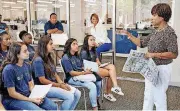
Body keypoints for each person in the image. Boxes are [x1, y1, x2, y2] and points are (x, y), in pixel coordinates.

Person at [120, 3, 178, 110]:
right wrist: (129, 35)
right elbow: (141, 43)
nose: (152, 18)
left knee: (159, 97)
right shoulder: (156, 31)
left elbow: (174, 54)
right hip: (151, 67)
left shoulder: (169, 32)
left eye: (154, 15)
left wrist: (154, 54)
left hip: (162, 68)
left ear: (162, 17)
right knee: (148, 96)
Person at [1, 42, 57, 110]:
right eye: (25, 51)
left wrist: (37, 96)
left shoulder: (27, 65)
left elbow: (30, 85)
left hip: (28, 95)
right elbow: (12, 93)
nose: (28, 52)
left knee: (53, 107)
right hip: (12, 100)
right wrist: (31, 100)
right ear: (17, 54)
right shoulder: (9, 69)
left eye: (27, 50)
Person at [32, 35, 81, 110]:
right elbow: (42, 80)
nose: (53, 46)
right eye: (50, 44)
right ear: (44, 45)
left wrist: (62, 83)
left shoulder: (48, 57)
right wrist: (59, 85)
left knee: (77, 93)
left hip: (52, 85)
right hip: (43, 88)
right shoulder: (38, 60)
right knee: (70, 96)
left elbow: (54, 74)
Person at [61, 38, 102, 110]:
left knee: (98, 82)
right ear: (69, 46)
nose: (77, 46)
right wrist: (84, 73)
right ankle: (95, 108)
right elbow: (72, 73)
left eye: (77, 44)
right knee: (92, 85)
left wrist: (85, 70)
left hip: (81, 75)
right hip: (71, 78)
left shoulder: (77, 56)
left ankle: (96, 102)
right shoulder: (66, 58)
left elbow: (81, 66)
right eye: (74, 44)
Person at [81, 35, 124, 102]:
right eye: (91, 40)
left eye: (94, 40)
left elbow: (97, 60)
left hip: (96, 66)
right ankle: (108, 93)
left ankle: (115, 86)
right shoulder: (84, 52)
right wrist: (95, 67)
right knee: (110, 73)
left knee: (112, 66)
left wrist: (102, 65)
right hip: (90, 69)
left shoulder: (94, 49)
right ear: (86, 41)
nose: (93, 41)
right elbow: (84, 65)